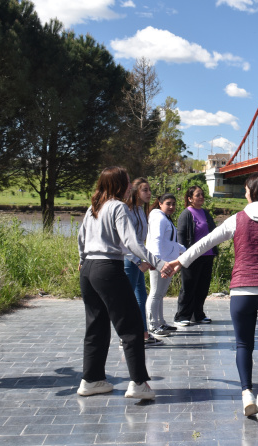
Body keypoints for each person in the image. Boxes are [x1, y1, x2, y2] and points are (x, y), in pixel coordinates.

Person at [162, 172, 258, 416]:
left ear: (252, 193)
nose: (244, 193)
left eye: (246, 190)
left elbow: (206, 242)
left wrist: (180, 261)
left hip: (242, 290)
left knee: (243, 344)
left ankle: (246, 393)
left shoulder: (237, 219)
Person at [77, 166, 165, 400]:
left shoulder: (93, 207)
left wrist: (82, 260)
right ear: (117, 185)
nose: (129, 187)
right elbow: (131, 242)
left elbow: (81, 238)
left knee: (95, 326)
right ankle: (138, 383)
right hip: (108, 268)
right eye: (126, 182)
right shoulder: (118, 207)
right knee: (132, 326)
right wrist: (158, 262)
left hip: (88, 270)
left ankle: (91, 380)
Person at [123, 178, 163, 347]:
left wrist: (145, 259)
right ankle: (126, 336)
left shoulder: (140, 210)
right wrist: (138, 260)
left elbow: (140, 241)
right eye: (144, 190)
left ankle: (143, 334)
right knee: (128, 299)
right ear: (135, 191)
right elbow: (125, 242)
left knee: (141, 297)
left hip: (138, 259)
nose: (149, 193)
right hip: (129, 260)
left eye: (149, 189)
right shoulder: (127, 210)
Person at [175, 186, 217, 326]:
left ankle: (198, 315)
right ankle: (182, 315)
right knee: (188, 286)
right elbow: (181, 235)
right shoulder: (186, 214)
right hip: (191, 256)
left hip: (207, 255)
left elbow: (213, 232)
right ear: (190, 198)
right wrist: (184, 255)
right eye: (197, 195)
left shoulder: (205, 213)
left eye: (202, 194)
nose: (201, 197)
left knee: (202, 287)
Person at [145, 194, 186, 338]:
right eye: (168, 203)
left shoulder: (165, 218)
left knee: (160, 294)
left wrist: (185, 250)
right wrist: (157, 262)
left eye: (174, 204)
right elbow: (156, 240)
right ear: (160, 203)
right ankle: (153, 325)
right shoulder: (159, 218)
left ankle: (160, 322)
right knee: (155, 294)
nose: (171, 207)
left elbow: (169, 242)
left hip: (167, 262)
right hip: (160, 263)